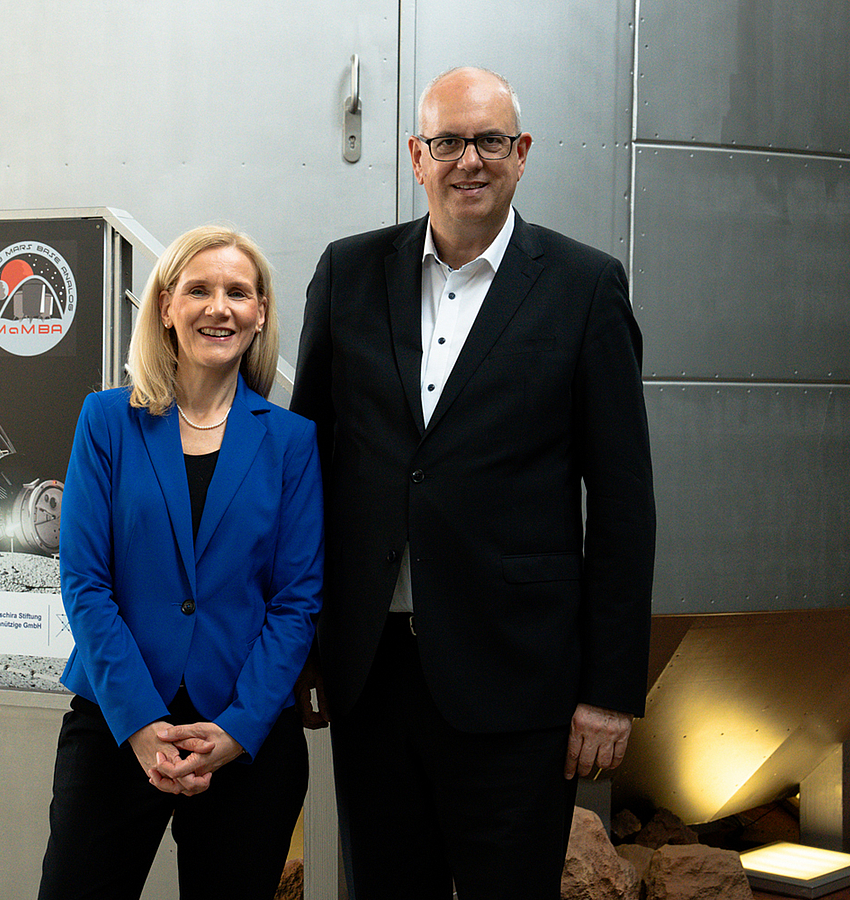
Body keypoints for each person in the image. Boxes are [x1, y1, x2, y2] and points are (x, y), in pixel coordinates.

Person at [289, 66, 655, 900]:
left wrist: (608, 691)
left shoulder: (584, 287)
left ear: (521, 154)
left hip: (520, 685)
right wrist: (306, 646)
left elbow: (625, 501)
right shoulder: (347, 274)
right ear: (416, 156)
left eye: (490, 141)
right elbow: (304, 471)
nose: (469, 161)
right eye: (447, 142)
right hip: (371, 676)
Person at [37, 225, 323, 899]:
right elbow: (85, 582)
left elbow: (296, 602)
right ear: (165, 305)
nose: (217, 307)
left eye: (237, 293)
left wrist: (236, 730)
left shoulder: (291, 441)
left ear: (259, 316)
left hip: (245, 740)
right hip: (117, 727)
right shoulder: (106, 421)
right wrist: (139, 724)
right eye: (198, 289)